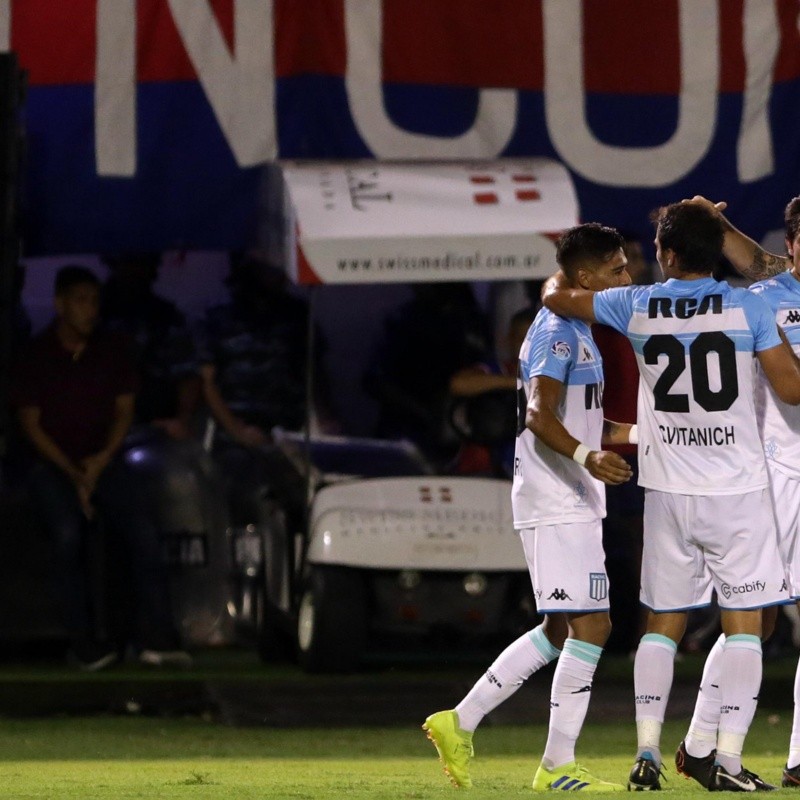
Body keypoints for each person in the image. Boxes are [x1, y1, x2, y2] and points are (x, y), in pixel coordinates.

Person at [542, 202, 800, 791]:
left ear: (664, 253)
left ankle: (647, 754)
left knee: (661, 625)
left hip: (665, 489)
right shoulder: (750, 303)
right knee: (745, 626)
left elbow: (557, 295)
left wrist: (573, 266)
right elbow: (791, 388)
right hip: (737, 489)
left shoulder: (634, 304)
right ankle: (728, 762)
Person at [423, 223, 635, 792]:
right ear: (586, 278)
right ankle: (558, 766)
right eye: (617, 270)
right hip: (558, 495)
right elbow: (540, 417)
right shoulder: (556, 335)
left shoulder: (577, 324)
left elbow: (582, 417)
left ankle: (458, 722)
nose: (627, 278)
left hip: (567, 494)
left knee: (560, 630)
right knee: (593, 625)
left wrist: (643, 436)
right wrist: (589, 456)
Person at [674, 194, 800, 789]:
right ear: (794, 243)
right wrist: (716, 229)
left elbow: (758, 258)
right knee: (756, 617)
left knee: (761, 620)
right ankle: (704, 746)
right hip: (779, 475)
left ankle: (709, 747)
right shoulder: (762, 299)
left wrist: (720, 225)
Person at [11, 266, 190, 669]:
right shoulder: (37, 355)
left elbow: (124, 412)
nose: (90, 310)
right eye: (80, 300)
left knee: (143, 527)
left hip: (102, 461)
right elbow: (31, 425)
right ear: (59, 304)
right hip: (51, 465)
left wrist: (100, 461)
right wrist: (74, 474)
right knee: (68, 533)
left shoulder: (112, 350)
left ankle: (155, 637)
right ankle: (82, 642)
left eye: (94, 300)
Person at [100, 252, 200, 439]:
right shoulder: (93, 314)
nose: (135, 271)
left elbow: (188, 375)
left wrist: (182, 420)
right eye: (130, 263)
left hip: (156, 428)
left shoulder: (166, 317)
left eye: (142, 264)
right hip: (102, 428)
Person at [448, 305, 536, 477]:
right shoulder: (497, 369)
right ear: (509, 340)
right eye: (522, 339)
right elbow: (458, 384)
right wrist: (517, 383)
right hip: (479, 473)